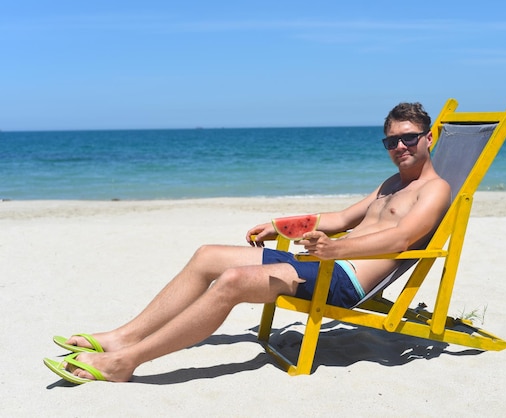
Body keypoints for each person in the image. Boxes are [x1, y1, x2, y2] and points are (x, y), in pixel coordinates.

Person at [44, 101, 451, 383]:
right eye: (391, 141)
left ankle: (124, 362)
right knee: (207, 255)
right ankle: (122, 337)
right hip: (323, 264)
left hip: (343, 280)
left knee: (235, 280)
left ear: (428, 138)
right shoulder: (391, 184)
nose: (399, 147)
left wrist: (337, 249)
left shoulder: (434, 190)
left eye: (409, 138)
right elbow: (342, 219)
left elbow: (403, 237)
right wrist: (280, 224)